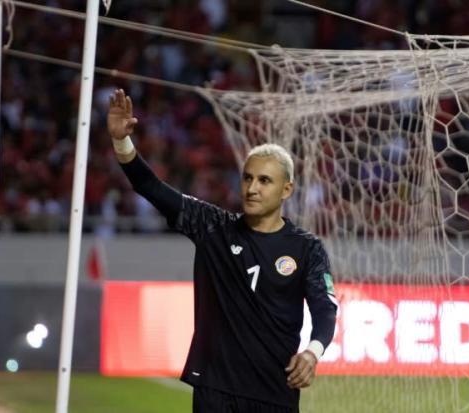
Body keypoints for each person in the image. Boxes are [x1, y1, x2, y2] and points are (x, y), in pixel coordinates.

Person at [108, 89, 337, 413]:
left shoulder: (307, 248)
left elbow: (325, 309)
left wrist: (313, 352)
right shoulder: (212, 226)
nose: (252, 188)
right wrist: (122, 142)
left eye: (264, 180)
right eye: (247, 178)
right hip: (215, 390)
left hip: (275, 392)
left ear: (287, 189)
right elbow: (151, 188)